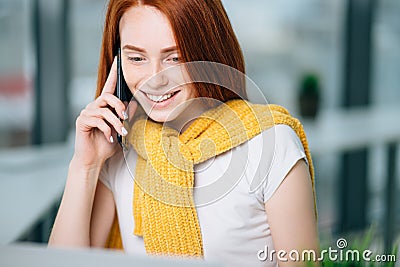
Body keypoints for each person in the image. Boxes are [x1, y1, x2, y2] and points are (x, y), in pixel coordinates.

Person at [49, 0, 319, 266]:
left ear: (208, 53)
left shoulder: (271, 143)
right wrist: (85, 166)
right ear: (118, 65)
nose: (156, 78)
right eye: (136, 58)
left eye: (175, 57)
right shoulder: (120, 148)